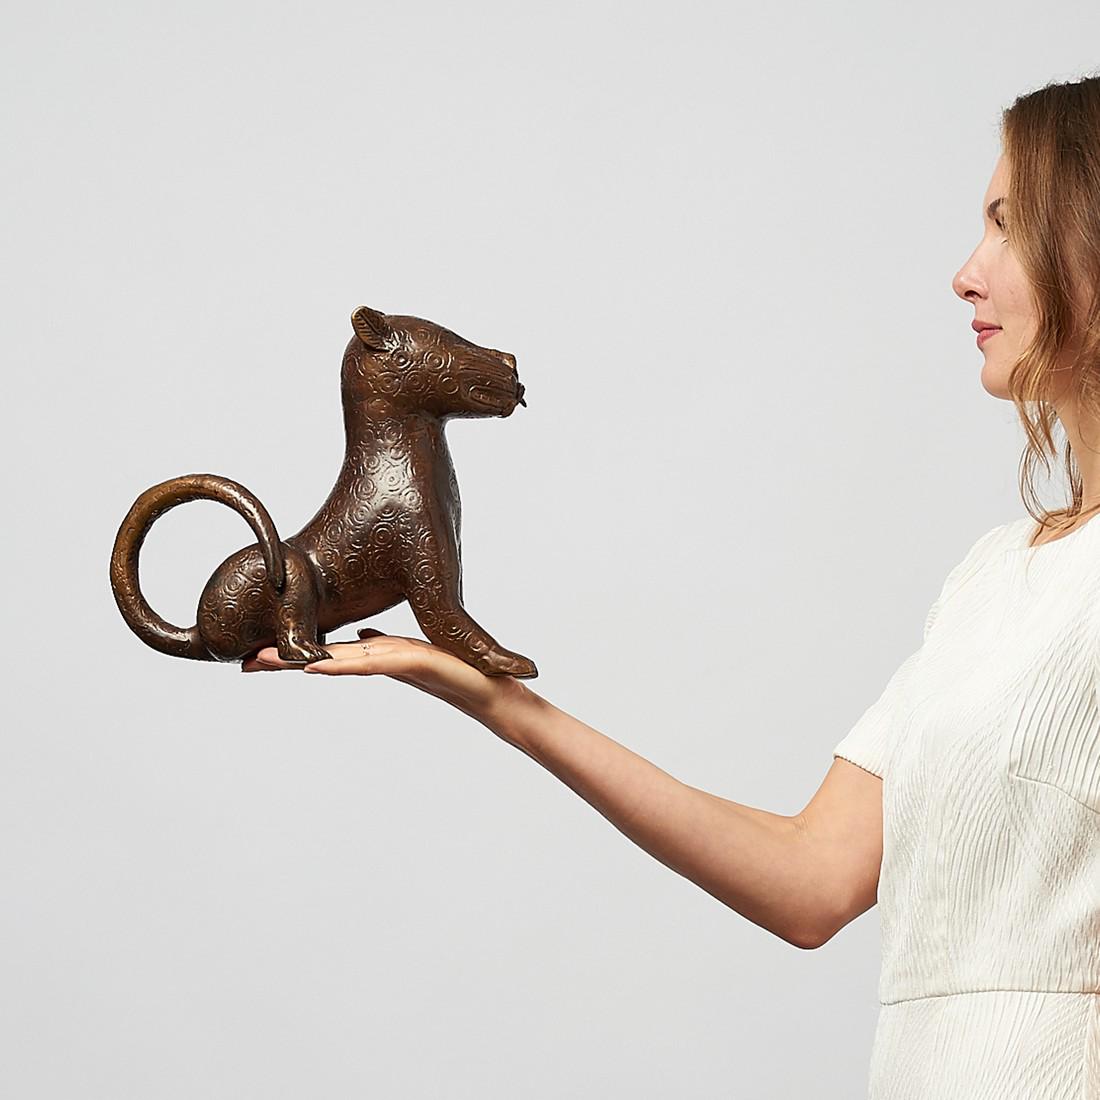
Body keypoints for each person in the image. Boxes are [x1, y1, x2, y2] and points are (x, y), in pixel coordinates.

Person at [243, 74, 1100, 1099]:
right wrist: (490, 698)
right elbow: (811, 876)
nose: (964, 275)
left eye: (1007, 224)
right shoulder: (991, 577)